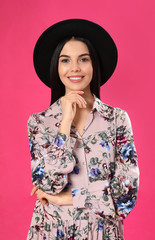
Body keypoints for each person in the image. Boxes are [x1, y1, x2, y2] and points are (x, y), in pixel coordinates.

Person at [27, 19, 140, 240]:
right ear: (56, 67)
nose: (75, 68)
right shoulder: (39, 122)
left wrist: (67, 198)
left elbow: (125, 196)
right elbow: (48, 183)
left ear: (93, 65)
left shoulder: (116, 119)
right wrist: (65, 124)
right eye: (65, 60)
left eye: (83, 59)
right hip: (50, 232)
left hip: (102, 232)